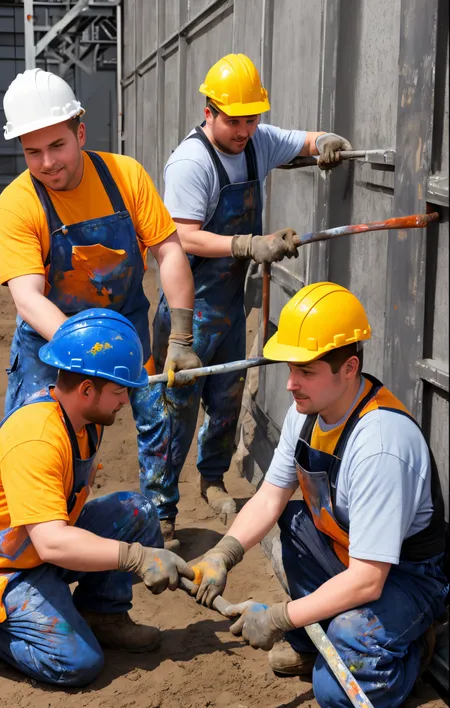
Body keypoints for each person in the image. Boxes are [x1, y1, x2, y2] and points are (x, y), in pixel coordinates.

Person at [187, 282, 448, 708]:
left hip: (405, 575)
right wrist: (222, 554)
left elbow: (369, 578)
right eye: (291, 369)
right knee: (294, 519)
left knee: (337, 692)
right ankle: (313, 640)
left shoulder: (380, 443)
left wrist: (278, 617)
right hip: (349, 550)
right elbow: (270, 497)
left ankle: (414, 649)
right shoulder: (306, 413)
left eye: (306, 372)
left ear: (349, 368)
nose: (290, 384)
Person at [148, 53, 353, 544]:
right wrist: (247, 244)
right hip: (188, 307)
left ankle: (212, 479)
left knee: (226, 400)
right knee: (176, 408)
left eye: (251, 118)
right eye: (233, 119)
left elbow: (301, 140)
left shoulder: (258, 142)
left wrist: (325, 142)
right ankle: (160, 507)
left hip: (230, 305)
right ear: (209, 112)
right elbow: (180, 239)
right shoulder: (192, 162)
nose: (243, 130)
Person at [0, 68, 201, 544]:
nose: (46, 162)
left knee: (163, 409)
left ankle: (156, 519)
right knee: (39, 442)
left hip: (125, 329)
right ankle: (25, 546)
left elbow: (170, 252)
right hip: (51, 345)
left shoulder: (125, 176)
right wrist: (85, 355)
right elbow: (28, 296)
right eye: (32, 152)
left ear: (80, 132)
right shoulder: (16, 205)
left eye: (57, 146)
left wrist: (182, 338)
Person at [0, 309, 194, 687]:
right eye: (119, 390)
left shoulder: (84, 420)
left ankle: (102, 615)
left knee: (138, 513)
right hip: (1, 569)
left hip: (39, 544)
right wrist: (136, 558)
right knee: (77, 662)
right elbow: (53, 543)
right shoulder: (37, 439)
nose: (126, 400)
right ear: (87, 390)